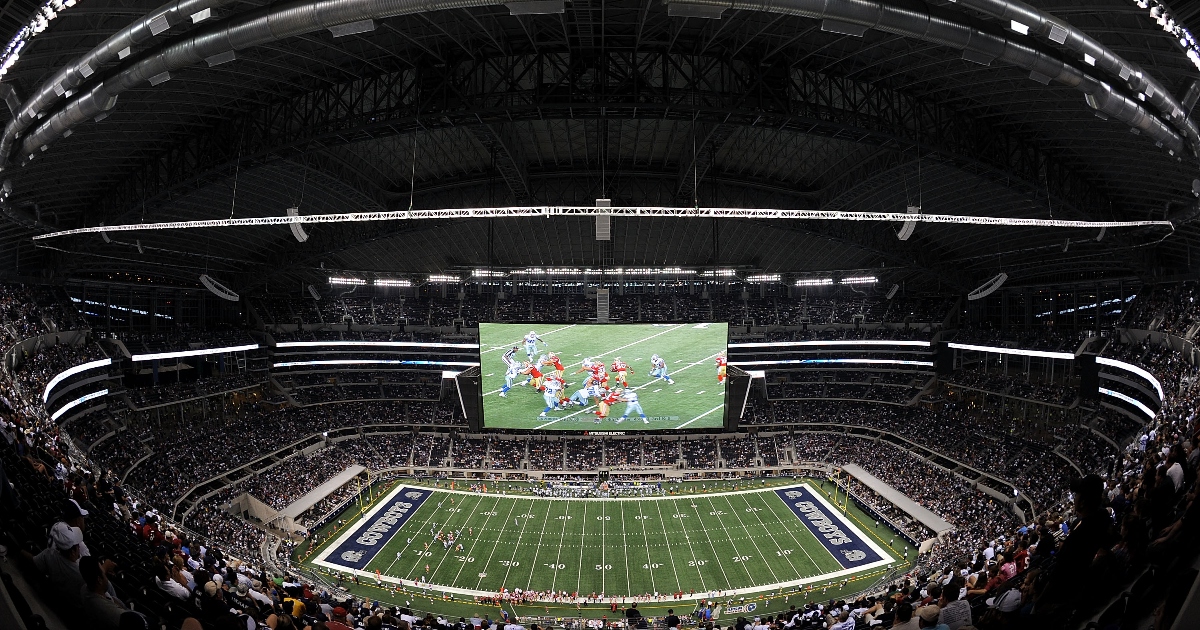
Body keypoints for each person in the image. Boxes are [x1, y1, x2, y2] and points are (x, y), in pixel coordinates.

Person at [32, 521, 86, 609]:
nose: (79, 548)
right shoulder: (81, 574)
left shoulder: (49, 554)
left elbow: (33, 562)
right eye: (77, 546)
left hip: (53, 599)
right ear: (72, 552)